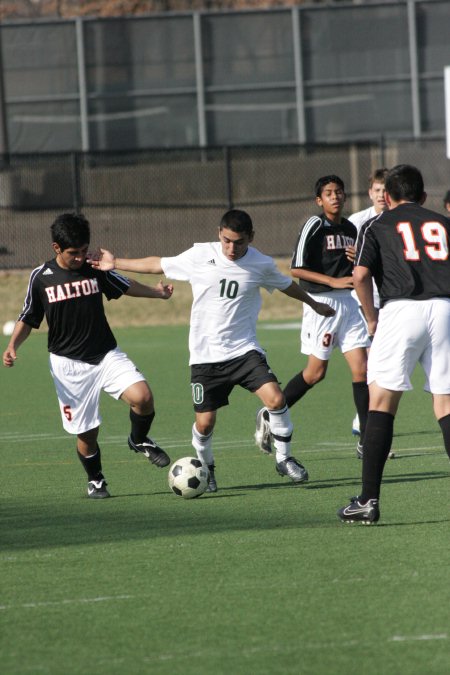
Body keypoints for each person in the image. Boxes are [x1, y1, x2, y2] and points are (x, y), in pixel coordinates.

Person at [90, 208, 335, 492]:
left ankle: (284, 458)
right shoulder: (200, 255)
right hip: (205, 358)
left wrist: (314, 304)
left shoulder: (261, 264)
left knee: (276, 399)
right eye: (227, 240)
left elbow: (286, 286)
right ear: (219, 234)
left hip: (244, 351)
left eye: (239, 242)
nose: (232, 248)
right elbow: (159, 264)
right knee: (205, 424)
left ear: (251, 238)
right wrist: (116, 262)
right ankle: (207, 469)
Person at [2, 212, 174, 499]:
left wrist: (157, 293)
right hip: (68, 365)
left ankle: (139, 439)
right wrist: (12, 346)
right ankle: (96, 480)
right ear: (57, 248)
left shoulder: (95, 269)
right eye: (74, 253)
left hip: (105, 353)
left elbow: (124, 285)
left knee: (143, 397)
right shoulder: (41, 277)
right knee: (87, 433)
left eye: (84, 250)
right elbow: (28, 317)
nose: (81, 257)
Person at [338, 164, 450, 524]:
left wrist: (372, 319)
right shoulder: (444, 224)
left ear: (386, 197)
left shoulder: (377, 224)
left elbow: (359, 276)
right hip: (445, 309)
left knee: (381, 403)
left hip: (400, 311)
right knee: (446, 404)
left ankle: (368, 500)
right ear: (423, 196)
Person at [254, 175, 371, 459]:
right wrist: (332, 283)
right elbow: (296, 269)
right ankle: (270, 414)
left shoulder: (351, 228)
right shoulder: (314, 225)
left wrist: (359, 258)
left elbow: (360, 266)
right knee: (316, 373)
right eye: (329, 193)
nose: (335, 196)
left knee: (363, 370)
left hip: (349, 302)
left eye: (339, 192)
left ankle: (367, 439)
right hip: (322, 303)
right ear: (320, 200)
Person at [348, 168, 389, 436]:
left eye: (386, 191)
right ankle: (367, 422)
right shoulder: (357, 221)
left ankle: (364, 420)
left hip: (388, 301)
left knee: (376, 362)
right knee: (365, 366)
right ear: (369, 193)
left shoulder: (397, 220)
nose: (381, 196)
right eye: (377, 191)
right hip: (358, 300)